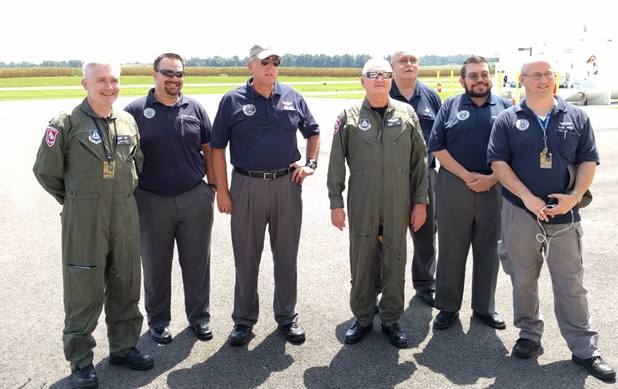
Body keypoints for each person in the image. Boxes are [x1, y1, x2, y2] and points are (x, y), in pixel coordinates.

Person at [488, 57, 615, 380]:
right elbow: (499, 164)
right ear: (523, 79)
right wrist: (527, 198)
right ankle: (529, 335)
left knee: (571, 282)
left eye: (548, 74)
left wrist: (573, 197)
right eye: (536, 75)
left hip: (564, 214)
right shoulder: (507, 119)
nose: (543, 80)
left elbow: (588, 160)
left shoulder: (576, 117)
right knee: (523, 278)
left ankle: (584, 348)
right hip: (521, 211)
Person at [33, 59, 153, 389]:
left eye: (114, 80)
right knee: (82, 287)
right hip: (84, 218)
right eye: (101, 80)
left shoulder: (128, 121)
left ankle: (124, 346)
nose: (109, 86)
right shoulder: (67, 122)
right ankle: (81, 361)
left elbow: (136, 165)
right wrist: (77, 202)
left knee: (126, 280)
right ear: (85, 84)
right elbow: (45, 171)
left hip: (125, 214)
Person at [210, 44, 320, 347]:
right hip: (246, 185)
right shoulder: (232, 100)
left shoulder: (292, 96)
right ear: (251, 67)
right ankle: (243, 321)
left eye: (276, 62)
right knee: (246, 256)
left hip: (287, 184)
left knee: (286, 254)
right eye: (265, 61)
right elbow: (217, 146)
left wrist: (310, 164)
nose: (271, 66)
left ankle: (287, 317)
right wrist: (222, 190)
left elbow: (313, 131)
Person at [327, 57, 428, 348]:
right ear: (363, 81)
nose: (380, 79)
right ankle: (361, 318)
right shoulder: (347, 116)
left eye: (385, 74)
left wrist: (420, 201)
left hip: (399, 199)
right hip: (363, 199)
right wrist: (336, 202)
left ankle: (391, 319)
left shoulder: (407, 114)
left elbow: (420, 161)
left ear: (391, 79)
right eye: (373, 74)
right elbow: (336, 163)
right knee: (362, 258)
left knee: (396, 257)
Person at [124, 53, 216, 344]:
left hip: (193, 197)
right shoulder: (135, 110)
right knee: (155, 265)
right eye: (169, 73)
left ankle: (199, 317)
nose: (175, 79)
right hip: (151, 200)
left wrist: (211, 188)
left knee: (197, 262)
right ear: (154, 75)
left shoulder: (195, 108)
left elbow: (210, 149)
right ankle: (159, 321)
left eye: (180, 74)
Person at [428, 55, 511, 331]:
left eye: (484, 74)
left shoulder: (506, 107)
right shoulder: (450, 105)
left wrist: (491, 179)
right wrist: (467, 176)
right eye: (473, 75)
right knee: (452, 248)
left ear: (490, 77)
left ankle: (484, 308)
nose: (479, 80)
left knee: (489, 248)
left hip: (495, 186)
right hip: (454, 184)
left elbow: (515, 151)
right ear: (463, 79)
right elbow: (437, 145)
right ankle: (448, 307)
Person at [386, 49, 442, 307]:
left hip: (426, 176)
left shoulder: (431, 96)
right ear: (392, 66)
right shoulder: (382, 92)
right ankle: (379, 285)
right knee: (383, 234)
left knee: (426, 233)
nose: (409, 64)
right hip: (389, 177)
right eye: (403, 61)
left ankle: (425, 283)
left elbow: (443, 136)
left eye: (413, 60)